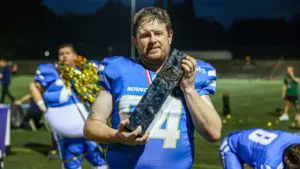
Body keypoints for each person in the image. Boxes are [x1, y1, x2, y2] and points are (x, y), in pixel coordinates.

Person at [84, 7, 222, 169]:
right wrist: (117, 136)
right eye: (145, 35)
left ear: (169, 36)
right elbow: (90, 127)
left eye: (158, 33)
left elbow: (213, 133)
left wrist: (188, 88)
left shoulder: (191, 71)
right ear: (135, 41)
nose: (152, 40)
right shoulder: (118, 70)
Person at [29, 44, 106, 169]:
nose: (64, 56)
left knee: (101, 162)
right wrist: (42, 106)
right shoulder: (51, 71)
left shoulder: (83, 71)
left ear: (75, 56)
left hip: (88, 128)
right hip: (67, 133)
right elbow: (34, 87)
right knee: (72, 164)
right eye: (61, 54)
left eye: (67, 53)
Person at [219, 128, 300, 169]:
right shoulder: (270, 164)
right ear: (287, 160)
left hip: (251, 144)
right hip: (231, 148)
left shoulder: (296, 139)